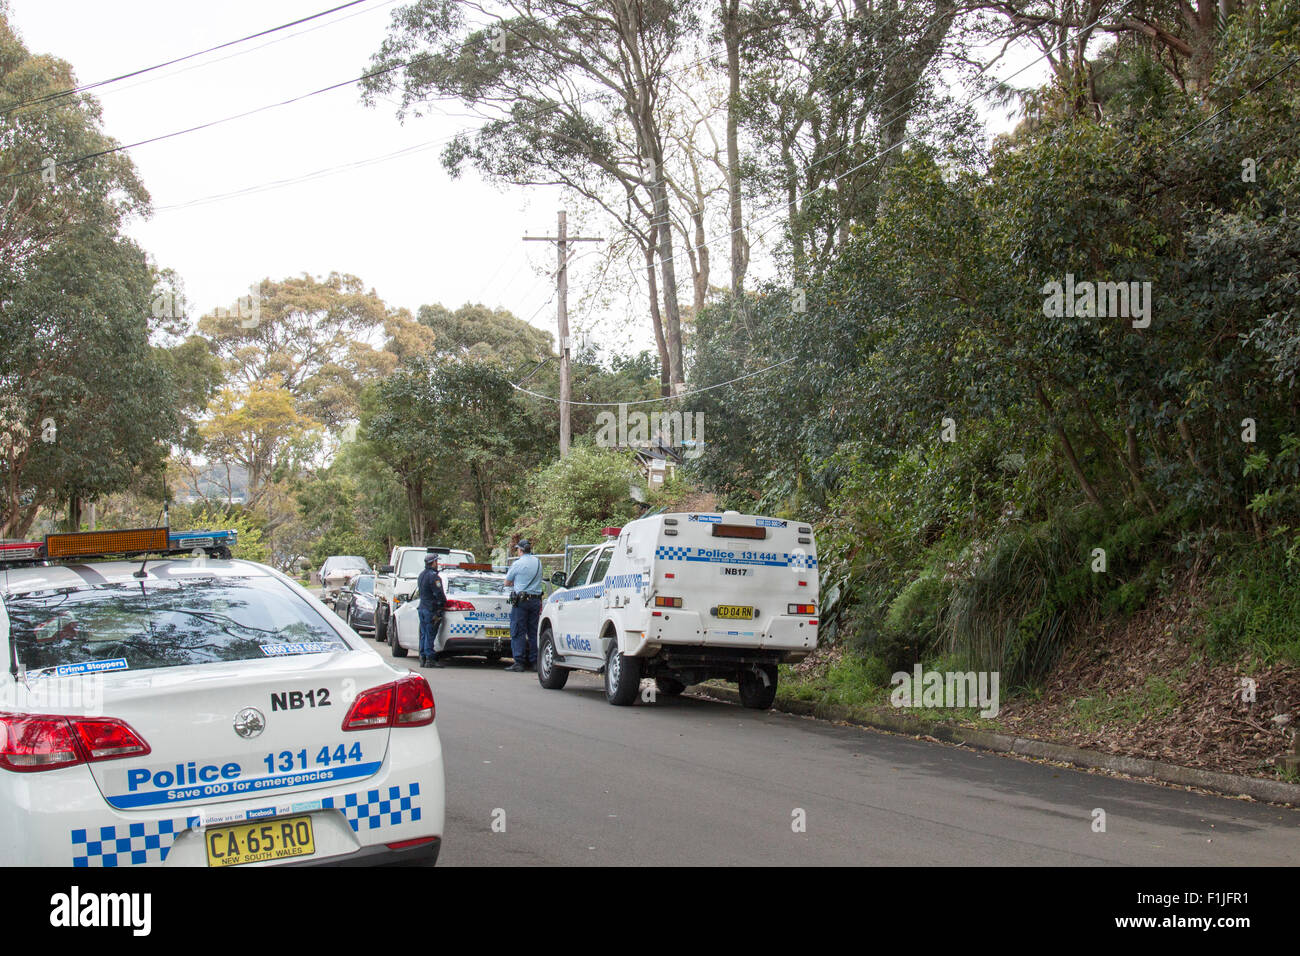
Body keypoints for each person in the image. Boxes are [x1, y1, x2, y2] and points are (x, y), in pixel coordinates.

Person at [504, 538, 543, 671]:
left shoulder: (517, 564)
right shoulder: (538, 562)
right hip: (536, 600)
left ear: (520, 550)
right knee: (533, 632)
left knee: (518, 631)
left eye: (518, 550)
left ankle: (519, 662)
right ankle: (534, 662)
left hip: (521, 602)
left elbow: (507, 582)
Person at [417, 552, 446, 668]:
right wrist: (443, 603)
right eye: (436, 561)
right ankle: (430, 658)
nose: (437, 564)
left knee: (424, 633)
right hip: (431, 609)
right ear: (433, 562)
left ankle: (423, 657)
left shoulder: (421, 575)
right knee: (430, 633)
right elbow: (438, 593)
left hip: (422, 607)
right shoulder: (433, 576)